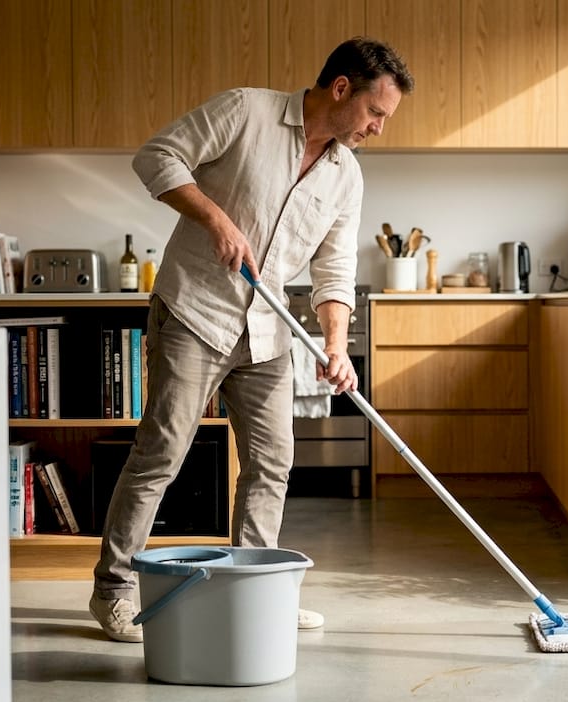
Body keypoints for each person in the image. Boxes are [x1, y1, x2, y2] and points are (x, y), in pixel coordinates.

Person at [89, 37, 414, 643]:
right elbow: (156, 157)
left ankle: (256, 591)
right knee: (162, 453)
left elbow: (334, 267)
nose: (377, 128)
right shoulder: (246, 112)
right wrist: (214, 218)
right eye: (375, 113)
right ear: (341, 88)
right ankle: (113, 589)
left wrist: (335, 345)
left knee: (272, 463)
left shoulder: (346, 175)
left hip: (267, 331)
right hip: (195, 311)